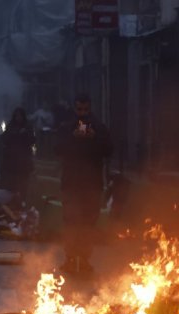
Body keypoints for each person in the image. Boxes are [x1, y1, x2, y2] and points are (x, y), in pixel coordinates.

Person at [54, 93, 113, 275]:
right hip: (72, 184)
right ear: (74, 108)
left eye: (85, 109)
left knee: (88, 224)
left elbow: (108, 150)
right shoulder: (66, 127)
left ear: (90, 108)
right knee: (71, 223)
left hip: (92, 185)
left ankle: (85, 259)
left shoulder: (99, 127)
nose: (82, 113)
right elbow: (57, 149)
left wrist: (94, 138)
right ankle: (71, 258)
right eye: (79, 109)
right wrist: (73, 138)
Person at [0, 107, 35, 202]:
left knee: (23, 186)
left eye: (20, 115)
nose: (18, 118)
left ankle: (22, 203)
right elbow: (3, 138)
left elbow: (32, 140)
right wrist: (14, 135)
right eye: (16, 116)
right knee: (11, 186)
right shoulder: (10, 126)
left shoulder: (28, 127)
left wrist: (24, 134)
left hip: (23, 162)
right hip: (11, 162)